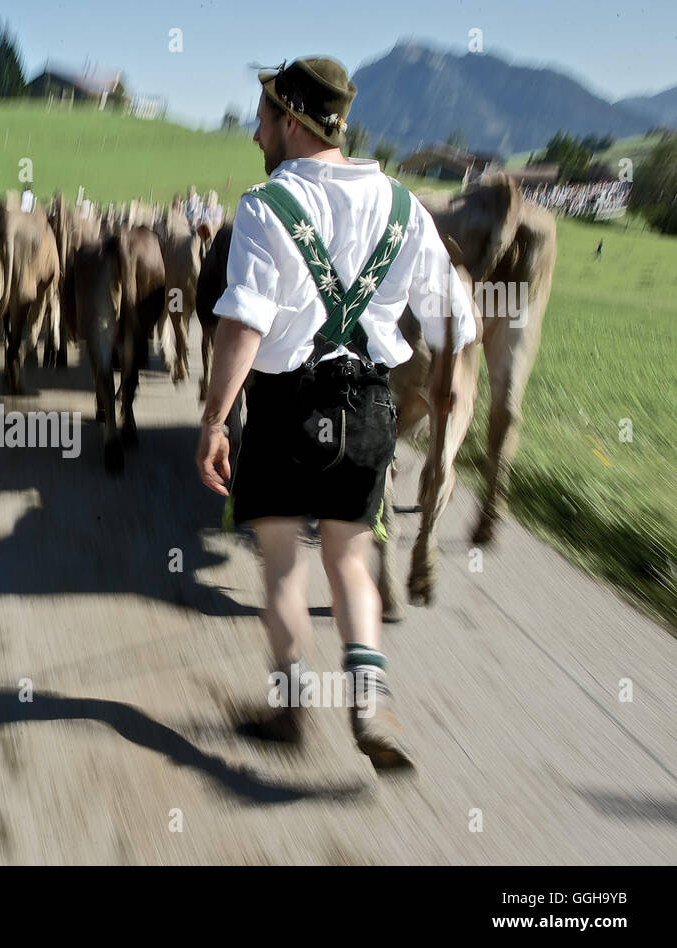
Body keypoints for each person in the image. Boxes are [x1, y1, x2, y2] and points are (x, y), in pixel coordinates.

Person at [196, 56, 477, 771]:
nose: (256, 130)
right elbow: (452, 319)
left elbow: (244, 324)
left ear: (291, 120)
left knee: (285, 567)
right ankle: (371, 698)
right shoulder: (405, 207)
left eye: (263, 116)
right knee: (351, 561)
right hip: (369, 406)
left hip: (287, 407)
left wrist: (212, 421)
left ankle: (291, 709)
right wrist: (445, 381)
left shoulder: (265, 205)